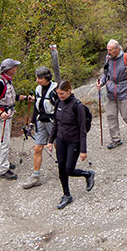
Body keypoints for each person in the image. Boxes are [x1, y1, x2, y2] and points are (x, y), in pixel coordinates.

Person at [49, 80, 95, 209]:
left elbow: (82, 129)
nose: (60, 96)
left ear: (69, 91)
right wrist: (50, 140)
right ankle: (66, 194)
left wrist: (83, 150)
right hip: (61, 139)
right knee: (61, 168)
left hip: (73, 140)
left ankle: (87, 174)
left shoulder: (77, 106)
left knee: (69, 169)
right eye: (58, 93)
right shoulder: (58, 103)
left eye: (62, 93)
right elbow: (56, 123)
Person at [0, 58, 33, 180]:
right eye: (14, 67)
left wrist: (25, 97)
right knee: (4, 141)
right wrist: (0, 112)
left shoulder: (7, 81)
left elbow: (11, 97)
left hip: (6, 114)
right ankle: (3, 169)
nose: (16, 69)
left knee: (0, 141)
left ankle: (1, 162)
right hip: (2, 116)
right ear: (8, 69)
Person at [96, 39, 127, 150]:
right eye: (108, 50)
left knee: (126, 115)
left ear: (117, 49)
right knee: (111, 116)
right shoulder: (108, 59)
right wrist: (101, 82)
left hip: (125, 91)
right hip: (111, 92)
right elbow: (105, 74)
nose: (108, 52)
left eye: (110, 50)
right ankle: (115, 139)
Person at [22, 67, 58, 189]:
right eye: (37, 77)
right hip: (40, 122)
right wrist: (32, 123)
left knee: (57, 145)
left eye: (40, 78)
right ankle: (36, 176)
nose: (37, 80)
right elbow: (37, 108)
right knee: (38, 148)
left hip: (53, 122)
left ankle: (63, 169)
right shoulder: (38, 89)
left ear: (47, 78)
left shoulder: (56, 90)